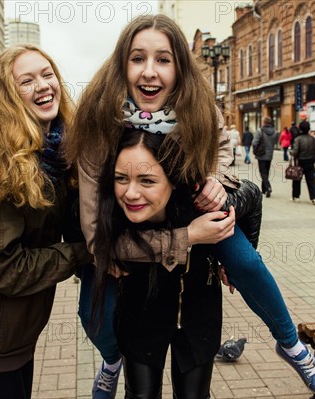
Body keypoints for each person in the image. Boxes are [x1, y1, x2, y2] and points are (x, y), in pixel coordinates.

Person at [65, 14, 315, 399]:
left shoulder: (196, 106)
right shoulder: (100, 119)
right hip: (126, 228)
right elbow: (94, 222)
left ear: (179, 67)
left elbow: (223, 150)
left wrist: (215, 178)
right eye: (137, 58)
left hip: (195, 227)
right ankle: (111, 360)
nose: (149, 72)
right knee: (96, 316)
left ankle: (292, 345)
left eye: (163, 59)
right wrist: (104, 245)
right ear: (121, 64)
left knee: (244, 262)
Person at [0, 45, 91, 398]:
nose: (43, 85)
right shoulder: (0, 166)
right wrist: (80, 253)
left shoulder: (51, 151)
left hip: (16, 325)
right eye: (26, 82)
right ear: (8, 99)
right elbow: (1, 265)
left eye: (47, 74)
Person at [94, 128, 224, 397]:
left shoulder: (201, 207)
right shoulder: (107, 216)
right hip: (139, 317)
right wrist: (187, 237)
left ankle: (292, 347)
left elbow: (251, 200)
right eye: (121, 178)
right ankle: (110, 363)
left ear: (174, 179)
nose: (131, 193)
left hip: (199, 315)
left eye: (147, 181)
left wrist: (232, 263)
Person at [291, 126, 315, 205]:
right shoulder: (313, 139)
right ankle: (314, 198)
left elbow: (295, 152)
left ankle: (296, 196)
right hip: (310, 162)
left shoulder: (298, 139)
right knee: (311, 181)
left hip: (300, 162)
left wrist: (291, 152)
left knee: (297, 179)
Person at [253, 116, 279, 198]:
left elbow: (254, 142)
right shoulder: (275, 131)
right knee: (266, 172)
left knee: (262, 172)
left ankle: (268, 188)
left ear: (264, 122)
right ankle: (263, 189)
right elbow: (275, 142)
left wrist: (255, 151)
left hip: (261, 154)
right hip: (270, 154)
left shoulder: (260, 130)